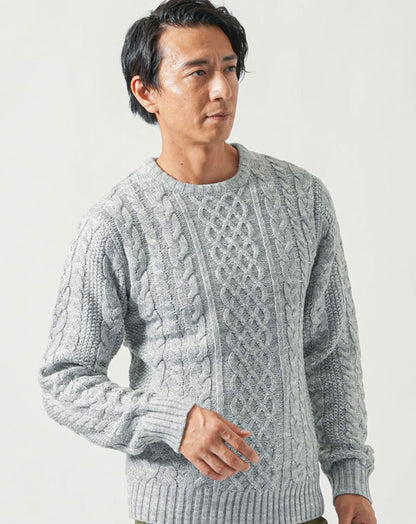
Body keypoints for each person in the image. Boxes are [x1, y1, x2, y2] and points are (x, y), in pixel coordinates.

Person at [38, 1, 377, 523]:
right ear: (146, 92)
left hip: (298, 511)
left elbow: (330, 352)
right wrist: (172, 421)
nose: (222, 89)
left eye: (230, 68)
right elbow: (64, 379)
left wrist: (350, 478)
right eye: (198, 72)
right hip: (176, 513)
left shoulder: (302, 199)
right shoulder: (116, 224)